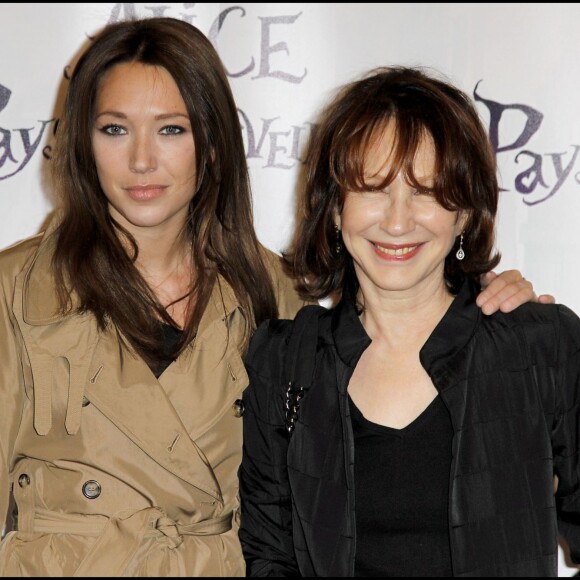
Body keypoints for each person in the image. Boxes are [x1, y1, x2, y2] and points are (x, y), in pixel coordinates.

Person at [0, 17, 547, 577]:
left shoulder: (275, 295)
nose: (142, 160)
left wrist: (490, 306)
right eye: (114, 129)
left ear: (212, 144)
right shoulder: (16, 292)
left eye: (172, 130)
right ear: (81, 144)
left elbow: (401, 325)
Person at [238, 66, 579, 577]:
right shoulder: (286, 361)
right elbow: (268, 555)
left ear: (464, 210)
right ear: (334, 209)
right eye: (373, 188)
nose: (397, 222)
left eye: (424, 190)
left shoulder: (540, 346)